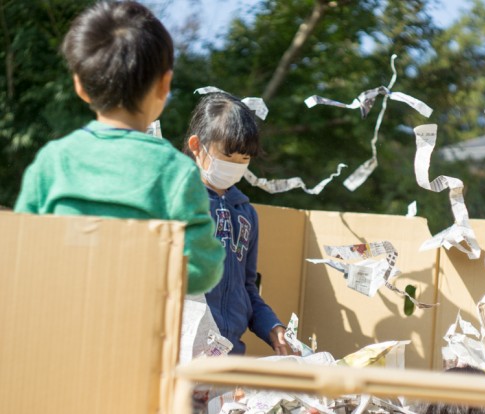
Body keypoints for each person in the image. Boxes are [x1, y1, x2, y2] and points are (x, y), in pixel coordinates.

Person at [13, 1, 224, 294]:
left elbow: (19, 251)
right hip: (138, 334)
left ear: (80, 86)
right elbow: (202, 270)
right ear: (165, 85)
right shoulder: (175, 172)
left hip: (54, 329)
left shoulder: (52, 161)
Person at [184, 91, 290, 355]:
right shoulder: (180, 203)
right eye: (227, 159)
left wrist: (273, 327)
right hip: (184, 354)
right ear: (197, 146)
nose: (235, 167)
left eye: (243, 161)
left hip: (230, 356)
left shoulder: (246, 214)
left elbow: (247, 288)